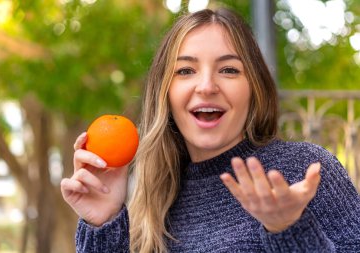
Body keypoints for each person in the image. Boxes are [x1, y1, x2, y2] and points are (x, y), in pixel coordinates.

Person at [61, 8, 360, 253]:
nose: (206, 86)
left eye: (229, 69)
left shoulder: (305, 171)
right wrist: (103, 224)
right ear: (164, 93)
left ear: (254, 88)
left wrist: (289, 230)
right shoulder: (151, 204)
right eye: (186, 71)